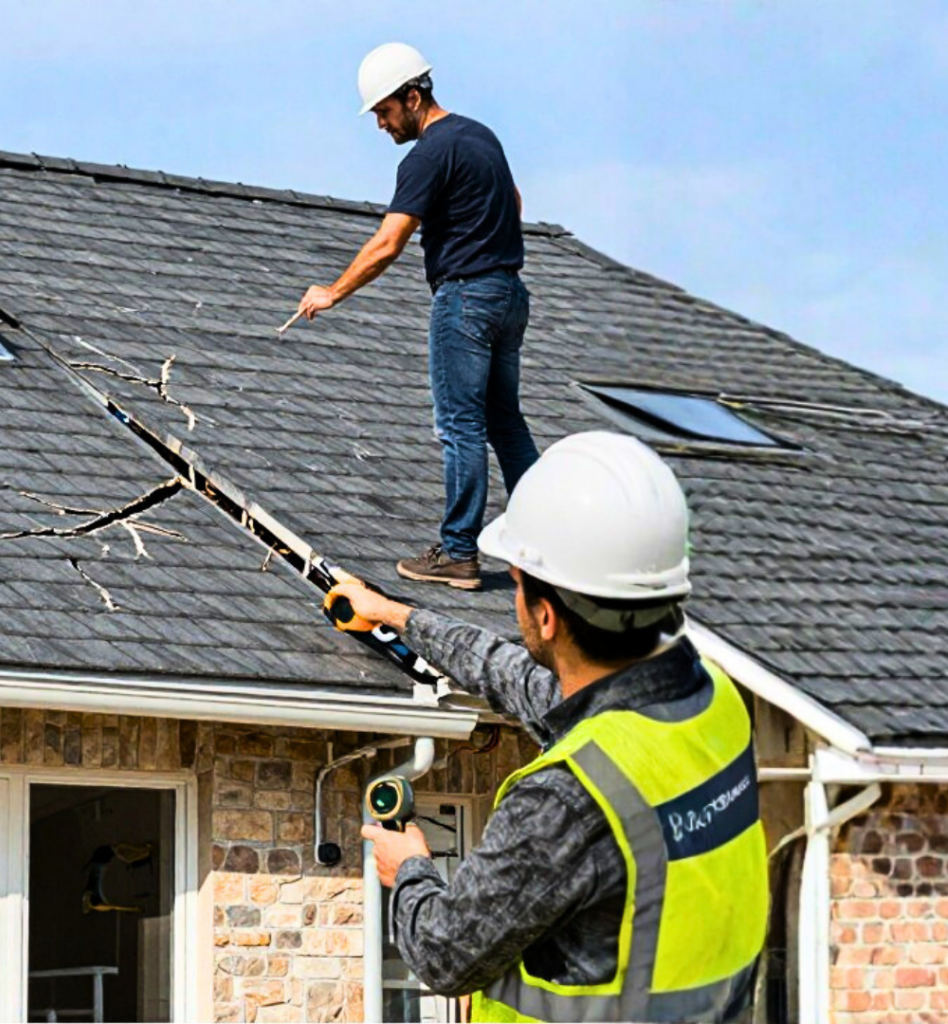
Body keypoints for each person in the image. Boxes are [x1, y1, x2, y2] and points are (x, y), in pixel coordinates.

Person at [331, 431, 769, 1023]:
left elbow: (443, 954)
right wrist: (398, 616)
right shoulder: (712, 700)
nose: (513, 596)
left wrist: (408, 865)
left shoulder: (569, 799)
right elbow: (516, 677)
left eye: (515, 583)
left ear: (544, 613)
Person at [297, 42, 540, 591]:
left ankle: (458, 553)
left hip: (466, 298)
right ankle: (549, 542)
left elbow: (388, 243)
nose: (381, 125)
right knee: (506, 422)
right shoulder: (482, 137)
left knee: (460, 426)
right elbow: (515, 203)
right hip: (509, 294)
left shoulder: (427, 156)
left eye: (384, 112)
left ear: (413, 96)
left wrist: (333, 292)